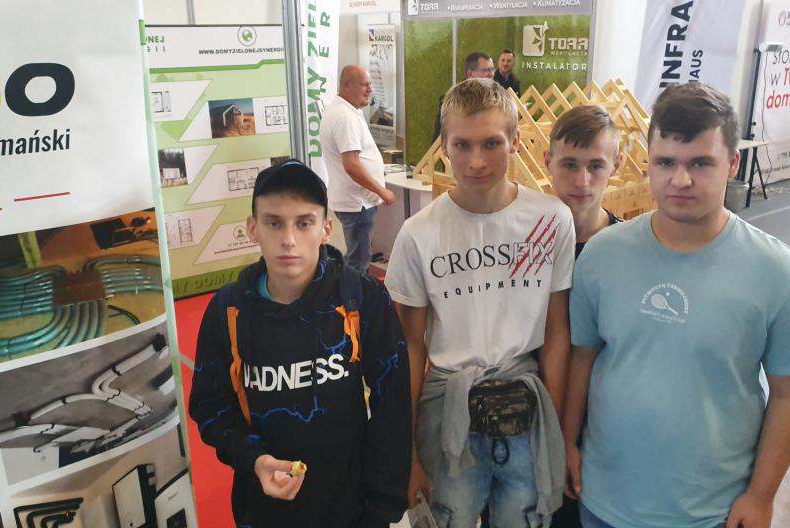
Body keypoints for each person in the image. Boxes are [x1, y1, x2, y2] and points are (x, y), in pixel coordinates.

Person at [564, 82, 790, 528]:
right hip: (602, 501)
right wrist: (568, 443)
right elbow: (582, 359)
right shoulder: (602, 255)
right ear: (648, 161)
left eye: (700, 163)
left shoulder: (778, 273)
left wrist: (761, 496)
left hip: (711, 513)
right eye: (666, 162)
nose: (680, 180)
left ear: (733, 163)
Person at [387, 78, 575, 528]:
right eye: (462, 145)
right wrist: (407, 450)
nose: (476, 161)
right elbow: (409, 347)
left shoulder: (551, 220)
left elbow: (556, 332)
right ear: (444, 146)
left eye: (491, 143)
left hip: (527, 411)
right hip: (448, 413)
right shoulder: (418, 234)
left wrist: (554, 432)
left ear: (515, 141)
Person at [189, 159, 411, 528]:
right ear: (252, 228)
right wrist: (255, 460)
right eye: (274, 223)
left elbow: (393, 408)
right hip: (263, 508)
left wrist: (383, 508)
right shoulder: (229, 309)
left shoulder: (362, 299)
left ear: (326, 229)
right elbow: (210, 407)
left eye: (304, 223)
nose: (289, 240)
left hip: (351, 508)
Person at [321, 65, 396, 273]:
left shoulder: (347, 111)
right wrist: (382, 191)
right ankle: (352, 293)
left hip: (356, 201)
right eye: (364, 85)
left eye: (370, 84)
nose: (370, 89)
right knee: (358, 261)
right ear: (346, 85)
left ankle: (353, 289)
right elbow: (352, 165)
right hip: (357, 203)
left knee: (358, 257)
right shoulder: (345, 117)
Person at [544, 105, 623, 258]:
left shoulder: (629, 247)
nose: (582, 183)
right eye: (570, 165)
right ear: (548, 162)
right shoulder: (521, 241)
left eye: (595, 166)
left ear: (616, 165)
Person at [432, 52, 496, 140]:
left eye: (492, 69)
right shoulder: (452, 101)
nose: (492, 74)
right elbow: (439, 140)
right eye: (486, 70)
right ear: (470, 74)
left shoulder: (495, 99)